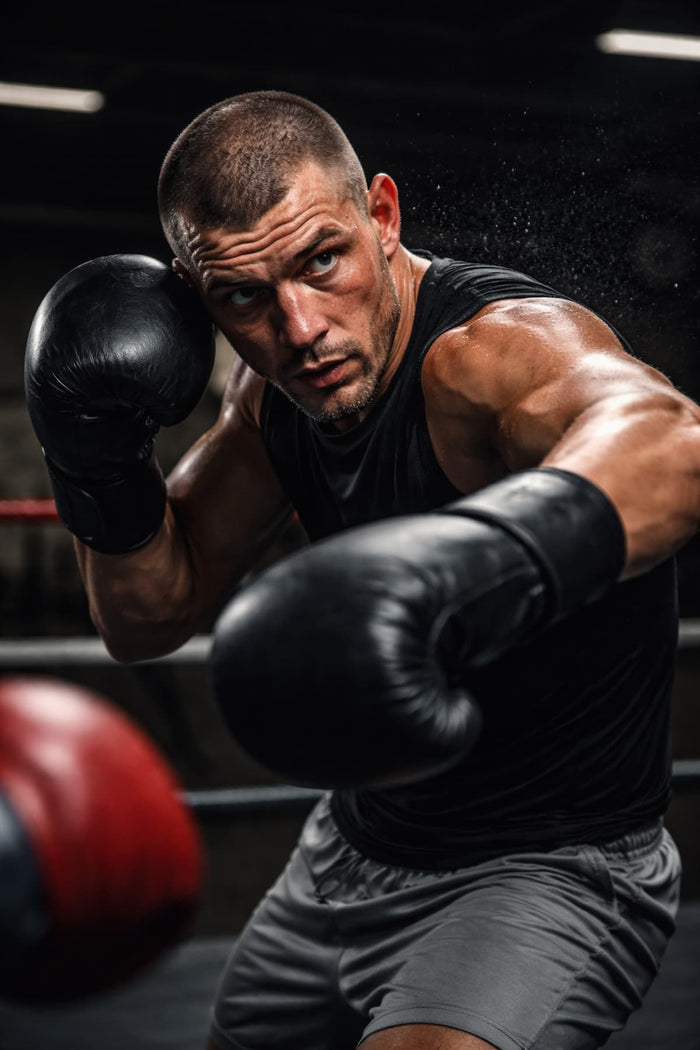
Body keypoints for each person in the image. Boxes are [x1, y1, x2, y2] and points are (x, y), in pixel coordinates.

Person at [24, 89, 700, 1049]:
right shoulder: (272, 402)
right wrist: (92, 459)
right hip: (347, 855)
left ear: (382, 214)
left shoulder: (490, 354)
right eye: (243, 298)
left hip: (544, 872)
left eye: (322, 261)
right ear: (196, 293)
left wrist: (477, 559)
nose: (298, 330)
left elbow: (672, 441)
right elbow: (147, 616)